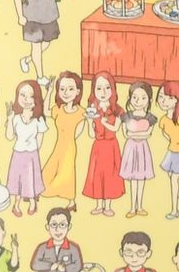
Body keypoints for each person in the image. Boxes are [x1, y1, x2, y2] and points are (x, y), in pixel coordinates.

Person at [41, 72, 86, 213]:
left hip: (69, 147)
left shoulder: (82, 113)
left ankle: (71, 201)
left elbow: (77, 133)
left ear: (78, 91)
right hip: (58, 146)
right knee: (49, 169)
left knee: (66, 173)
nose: (66, 92)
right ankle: (39, 189)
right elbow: (45, 111)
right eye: (62, 89)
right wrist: (49, 91)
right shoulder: (59, 109)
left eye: (70, 89)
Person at [84, 72, 126, 217]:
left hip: (111, 146)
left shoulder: (118, 110)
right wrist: (89, 121)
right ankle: (98, 205)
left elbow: (116, 129)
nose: (103, 92)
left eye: (107, 88)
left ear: (113, 89)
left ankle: (107, 205)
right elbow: (91, 134)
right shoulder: (93, 109)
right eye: (99, 88)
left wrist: (104, 122)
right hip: (98, 146)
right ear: (93, 90)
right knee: (97, 174)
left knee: (110, 175)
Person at [6, 80, 47, 218]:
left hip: (31, 154)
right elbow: (9, 136)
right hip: (18, 152)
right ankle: (16, 204)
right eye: (23, 95)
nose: (26, 99)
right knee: (17, 179)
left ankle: (32, 202)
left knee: (30, 179)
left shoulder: (38, 119)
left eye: (31, 96)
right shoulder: (16, 118)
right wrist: (9, 119)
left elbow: (40, 138)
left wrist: (33, 147)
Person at [120, 81, 157, 218]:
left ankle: (139, 206)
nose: (138, 101)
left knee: (141, 178)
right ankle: (132, 208)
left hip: (142, 150)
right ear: (129, 98)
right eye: (135, 97)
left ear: (149, 100)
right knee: (132, 179)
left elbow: (148, 134)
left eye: (143, 98)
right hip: (130, 149)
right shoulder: (126, 116)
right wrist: (139, 135)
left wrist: (134, 134)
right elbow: (125, 134)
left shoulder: (150, 117)